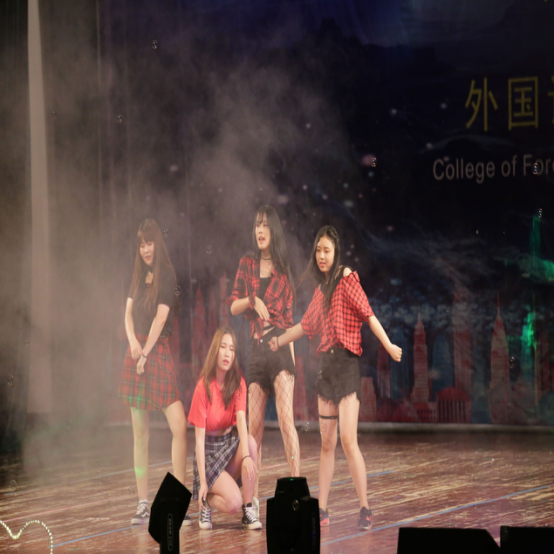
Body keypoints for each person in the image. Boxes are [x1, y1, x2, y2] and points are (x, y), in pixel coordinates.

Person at [269, 225, 402, 531]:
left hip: (346, 366)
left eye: (326, 250)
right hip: (325, 369)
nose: (321, 256)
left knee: (348, 440)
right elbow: (305, 326)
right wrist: (279, 340)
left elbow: (368, 314)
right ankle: (322, 509)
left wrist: (388, 345)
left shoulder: (346, 278)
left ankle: (365, 508)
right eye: (318, 250)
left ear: (336, 252)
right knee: (326, 443)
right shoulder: (320, 291)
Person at [226, 206, 300, 516]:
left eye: (265, 226)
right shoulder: (247, 264)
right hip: (257, 350)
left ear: (274, 231)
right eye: (257, 225)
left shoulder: (283, 269)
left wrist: (292, 366)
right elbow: (233, 306)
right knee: (253, 428)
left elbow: (291, 321)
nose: (260, 231)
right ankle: (251, 499)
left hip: (279, 347)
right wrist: (252, 300)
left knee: (285, 421)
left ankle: (297, 490)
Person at [119, 219, 189, 526]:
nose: (146, 249)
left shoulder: (167, 274)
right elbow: (127, 315)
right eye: (141, 244)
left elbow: (161, 319)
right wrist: (133, 343)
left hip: (156, 352)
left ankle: (178, 501)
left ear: (157, 243)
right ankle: (143, 503)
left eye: (149, 243)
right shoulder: (136, 275)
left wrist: (146, 352)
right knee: (140, 434)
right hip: (137, 353)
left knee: (179, 426)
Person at [188, 327, 261, 530]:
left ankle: (249, 510)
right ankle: (207, 501)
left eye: (232, 349)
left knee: (251, 443)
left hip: (227, 447)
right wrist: (203, 482)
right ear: (215, 350)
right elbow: (199, 441)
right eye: (223, 347)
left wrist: (246, 456)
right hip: (208, 454)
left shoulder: (238, 383)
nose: (227, 353)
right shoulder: (203, 387)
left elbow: (241, 419)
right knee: (233, 503)